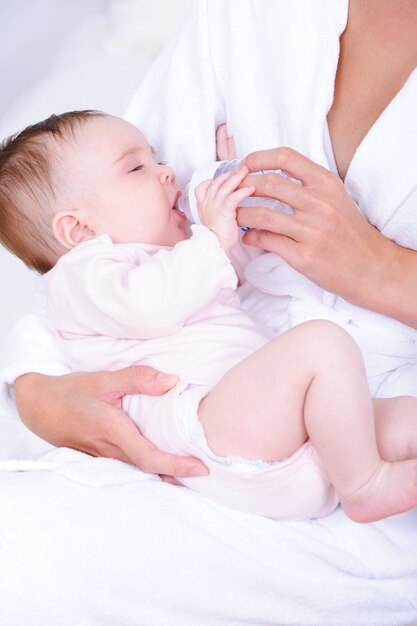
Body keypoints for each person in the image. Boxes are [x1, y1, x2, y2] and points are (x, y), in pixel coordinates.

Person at [3, 0, 417, 485]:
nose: (164, 171)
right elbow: (144, 301)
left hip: (303, 411)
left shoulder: (162, 254)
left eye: (153, 160)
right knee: (323, 350)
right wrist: (39, 396)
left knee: (399, 417)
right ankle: (365, 483)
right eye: (140, 167)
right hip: (212, 429)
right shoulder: (89, 271)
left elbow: (216, 274)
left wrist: (382, 270)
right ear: (76, 231)